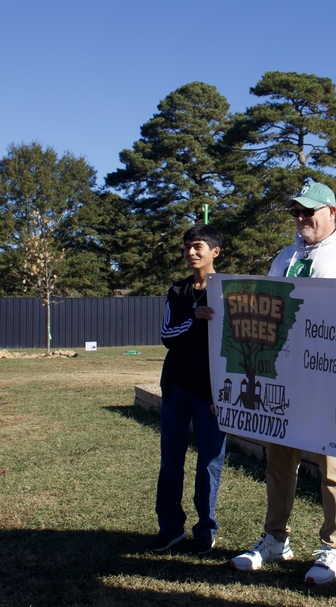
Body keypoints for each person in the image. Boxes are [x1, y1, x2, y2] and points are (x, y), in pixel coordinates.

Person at [230, 180, 336, 585]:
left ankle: (334, 548)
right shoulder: (285, 256)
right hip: (288, 378)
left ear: (332, 212)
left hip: (334, 377)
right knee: (279, 460)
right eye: (297, 211)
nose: (301, 218)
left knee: (333, 463)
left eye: (309, 211)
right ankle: (275, 538)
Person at [149, 224, 227, 555]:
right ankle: (170, 528)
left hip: (212, 394)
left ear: (215, 252)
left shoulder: (229, 290)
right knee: (171, 461)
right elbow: (168, 335)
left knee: (209, 462)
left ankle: (205, 530)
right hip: (177, 389)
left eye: (197, 246)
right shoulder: (177, 291)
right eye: (186, 247)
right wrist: (195, 317)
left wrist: (225, 392)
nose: (191, 252)